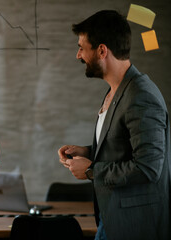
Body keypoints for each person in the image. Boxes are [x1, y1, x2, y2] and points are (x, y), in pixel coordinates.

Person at [58, 10, 170, 240]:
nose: (78, 55)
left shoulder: (141, 96)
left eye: (82, 47)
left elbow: (148, 167)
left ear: (101, 50)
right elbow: (123, 149)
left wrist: (91, 170)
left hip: (134, 226)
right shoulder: (116, 91)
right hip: (112, 220)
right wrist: (88, 152)